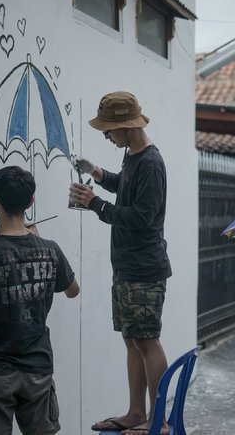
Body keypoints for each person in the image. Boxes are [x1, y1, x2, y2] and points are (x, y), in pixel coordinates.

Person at [69, 91, 172, 434]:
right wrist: (96, 172)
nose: (108, 137)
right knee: (132, 340)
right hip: (127, 268)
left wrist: (95, 204)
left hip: (144, 269)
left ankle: (159, 419)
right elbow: (125, 188)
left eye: (108, 132)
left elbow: (142, 217)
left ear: (126, 127)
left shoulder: (151, 163)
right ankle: (135, 412)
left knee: (147, 340)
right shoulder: (133, 156)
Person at [0, 166, 80, 434]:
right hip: (38, 368)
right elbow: (73, 290)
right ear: (31, 203)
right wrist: (38, 243)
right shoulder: (50, 249)